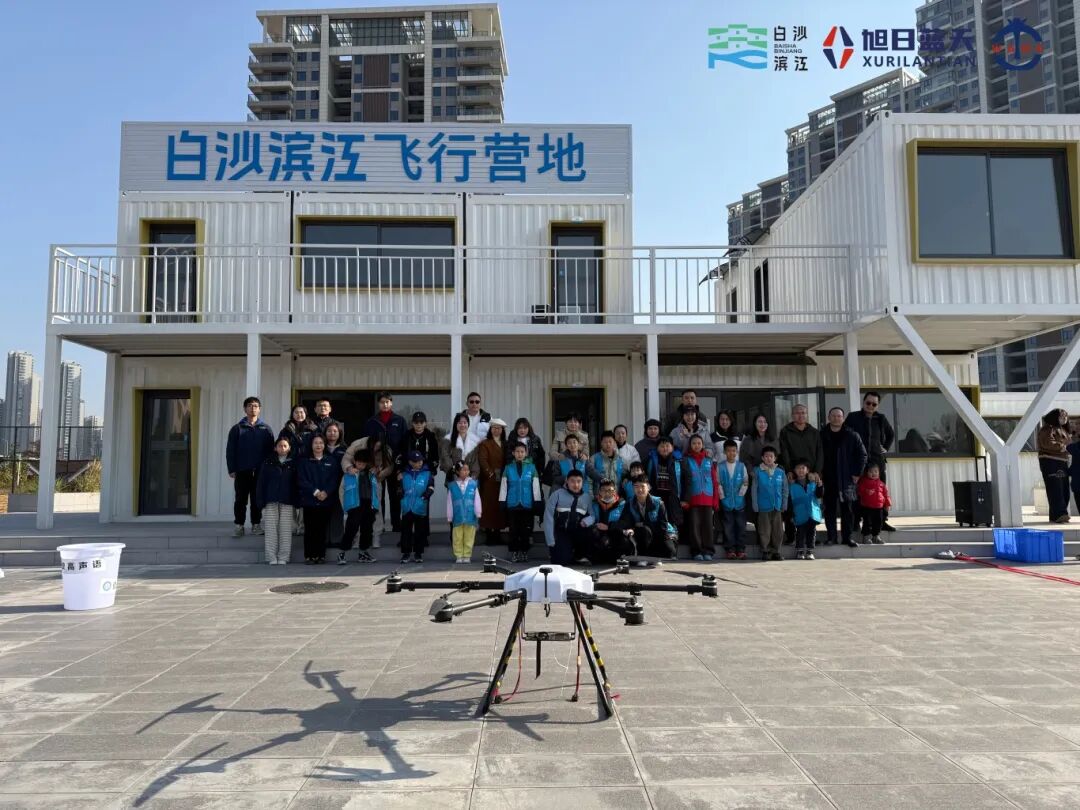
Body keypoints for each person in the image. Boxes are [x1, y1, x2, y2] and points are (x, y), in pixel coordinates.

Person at [845, 392, 896, 532]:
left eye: (874, 404)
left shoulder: (881, 418)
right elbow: (845, 435)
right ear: (863, 402)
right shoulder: (853, 417)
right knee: (857, 492)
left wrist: (885, 447)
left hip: (876, 461)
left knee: (879, 492)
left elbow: (891, 434)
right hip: (858, 461)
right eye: (868, 403)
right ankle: (856, 522)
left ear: (877, 405)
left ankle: (881, 521)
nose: (871, 406)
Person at [226, 396, 276, 538]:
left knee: (257, 499)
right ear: (245, 409)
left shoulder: (266, 429)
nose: (252, 408)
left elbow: (271, 452)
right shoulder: (237, 428)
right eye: (249, 406)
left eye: (255, 406)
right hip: (242, 470)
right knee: (240, 499)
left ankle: (256, 524)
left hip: (260, 471)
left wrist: (269, 469)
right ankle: (239, 525)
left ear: (259, 409)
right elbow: (230, 450)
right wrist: (232, 468)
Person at [820, 407, 868, 548]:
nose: (836, 418)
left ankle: (848, 538)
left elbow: (862, 455)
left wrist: (857, 473)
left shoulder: (852, 435)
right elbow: (816, 454)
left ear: (843, 418)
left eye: (839, 416)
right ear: (829, 417)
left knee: (847, 509)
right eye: (833, 416)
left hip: (847, 478)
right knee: (829, 509)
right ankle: (832, 537)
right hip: (827, 477)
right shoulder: (821, 435)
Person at [362, 393, 408, 532]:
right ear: (378, 404)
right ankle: (379, 524)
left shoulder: (399, 420)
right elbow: (366, 443)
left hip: (394, 464)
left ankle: (396, 524)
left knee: (395, 496)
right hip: (377, 465)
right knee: (378, 496)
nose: (385, 404)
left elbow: (405, 444)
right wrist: (370, 464)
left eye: (387, 401)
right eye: (382, 402)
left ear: (391, 403)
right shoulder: (371, 422)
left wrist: (401, 465)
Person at [779, 404, 823, 545]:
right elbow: (784, 452)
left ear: (807, 415)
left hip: (810, 475)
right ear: (792, 415)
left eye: (803, 413)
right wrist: (789, 471)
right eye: (797, 413)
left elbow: (820, 453)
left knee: (811, 504)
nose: (801, 415)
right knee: (792, 505)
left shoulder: (814, 432)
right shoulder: (785, 431)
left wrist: (816, 472)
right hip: (793, 475)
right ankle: (791, 536)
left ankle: (810, 536)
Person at [297, 435, 341, 564]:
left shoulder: (331, 461)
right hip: (309, 501)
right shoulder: (304, 462)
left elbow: (335, 480)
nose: (318, 445)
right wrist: (315, 492)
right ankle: (309, 556)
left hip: (326, 500)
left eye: (321, 443)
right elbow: (301, 480)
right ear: (311, 445)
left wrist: (326, 492)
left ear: (324, 445)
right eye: (315, 443)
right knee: (310, 529)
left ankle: (321, 555)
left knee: (322, 529)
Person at [255, 436, 297, 565]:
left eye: (285, 446)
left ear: (289, 448)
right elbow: (261, 483)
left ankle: (283, 557)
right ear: (275, 448)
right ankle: (271, 557)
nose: (282, 448)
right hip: (271, 500)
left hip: (287, 500)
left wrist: (297, 501)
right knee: (270, 530)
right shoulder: (267, 463)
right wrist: (260, 501)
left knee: (285, 530)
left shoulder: (293, 463)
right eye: (280, 446)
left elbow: (296, 484)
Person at [500, 440, 543, 563]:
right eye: (517, 451)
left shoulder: (532, 468)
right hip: (512, 504)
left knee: (526, 530)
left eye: (522, 451)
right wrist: (502, 501)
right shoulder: (508, 468)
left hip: (527, 505)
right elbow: (504, 486)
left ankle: (524, 551)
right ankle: (514, 552)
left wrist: (537, 502)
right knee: (513, 530)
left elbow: (535, 486)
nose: (520, 454)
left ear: (526, 453)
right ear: (513, 453)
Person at [680, 433, 719, 561]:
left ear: (702, 445)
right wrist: (685, 499)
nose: (696, 445)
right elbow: (683, 481)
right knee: (694, 526)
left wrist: (715, 500)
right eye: (694, 443)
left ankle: (708, 551)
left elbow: (714, 481)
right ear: (690, 445)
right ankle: (696, 551)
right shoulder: (686, 460)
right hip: (693, 498)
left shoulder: (709, 460)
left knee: (708, 527)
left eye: (699, 443)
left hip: (708, 498)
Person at [543, 469, 594, 566]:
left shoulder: (586, 497)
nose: (576, 485)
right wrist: (550, 540)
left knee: (590, 531)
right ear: (567, 481)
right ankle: (567, 555)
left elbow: (592, 515)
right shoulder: (557, 494)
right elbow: (548, 516)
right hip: (562, 532)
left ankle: (579, 555)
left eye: (579, 481)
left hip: (578, 531)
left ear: (582, 482)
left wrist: (587, 521)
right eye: (572, 481)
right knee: (560, 562)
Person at [336, 448, 379, 564]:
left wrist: (376, 506)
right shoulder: (348, 475)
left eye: (363, 464)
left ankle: (363, 553)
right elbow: (341, 491)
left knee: (367, 530)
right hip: (354, 506)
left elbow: (376, 491)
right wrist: (345, 507)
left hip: (369, 506)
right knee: (351, 530)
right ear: (354, 461)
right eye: (359, 463)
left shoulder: (371, 475)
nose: (361, 466)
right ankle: (342, 553)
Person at [623, 475, 679, 560]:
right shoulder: (629, 504)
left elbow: (663, 525)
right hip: (642, 535)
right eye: (636, 486)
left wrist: (642, 524)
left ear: (648, 487)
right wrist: (631, 528)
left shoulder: (658, 503)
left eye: (642, 486)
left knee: (670, 551)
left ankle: (648, 556)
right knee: (644, 531)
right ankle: (644, 557)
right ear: (633, 488)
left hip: (659, 534)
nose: (639, 489)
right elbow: (626, 521)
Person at [751, 445, 788, 562]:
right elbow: (754, 489)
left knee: (778, 531)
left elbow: (785, 489)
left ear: (775, 458)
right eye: (766, 456)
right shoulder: (758, 472)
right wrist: (755, 504)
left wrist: (784, 504)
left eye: (771, 456)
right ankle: (765, 551)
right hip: (763, 506)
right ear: (762, 458)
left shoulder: (780, 472)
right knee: (764, 530)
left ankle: (776, 551)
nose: (768, 458)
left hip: (777, 506)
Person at [399, 450, 436, 564]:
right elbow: (399, 488)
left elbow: (431, 487)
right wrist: (401, 496)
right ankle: (406, 553)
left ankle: (418, 553)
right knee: (406, 531)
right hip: (407, 507)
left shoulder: (427, 474)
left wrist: (425, 496)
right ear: (410, 462)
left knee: (420, 532)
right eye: (416, 461)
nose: (419, 463)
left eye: (420, 461)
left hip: (420, 507)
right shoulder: (404, 474)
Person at [587, 479, 635, 564]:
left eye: (610, 490)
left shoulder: (622, 504)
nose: (607, 493)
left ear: (614, 491)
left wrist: (609, 526)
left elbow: (626, 522)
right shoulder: (594, 504)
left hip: (616, 533)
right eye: (604, 490)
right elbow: (590, 520)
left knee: (624, 542)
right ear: (599, 492)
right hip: (601, 535)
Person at [477, 418, 508, 545]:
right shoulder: (485, 443)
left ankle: (498, 535)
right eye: (494, 428)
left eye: (499, 428)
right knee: (489, 507)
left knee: (500, 507)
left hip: (504, 479)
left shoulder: (506, 444)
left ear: (502, 430)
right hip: (489, 480)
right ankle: (489, 536)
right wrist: (490, 473)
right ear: (490, 429)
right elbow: (482, 460)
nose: (496, 430)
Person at [1038, 408, 1072, 523]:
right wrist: (1063, 447)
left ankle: (1057, 515)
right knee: (1055, 489)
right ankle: (1059, 514)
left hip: (1062, 461)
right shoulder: (1048, 428)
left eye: (1066, 416)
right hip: (1050, 461)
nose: (1065, 418)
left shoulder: (1063, 429)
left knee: (1064, 489)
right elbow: (1047, 443)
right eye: (1062, 416)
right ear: (1055, 417)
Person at [717, 439, 749, 560]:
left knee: (741, 527)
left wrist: (740, 496)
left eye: (734, 451)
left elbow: (745, 482)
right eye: (729, 451)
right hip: (726, 503)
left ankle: (741, 550)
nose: (731, 453)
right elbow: (718, 483)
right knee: (728, 527)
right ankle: (730, 550)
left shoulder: (741, 466)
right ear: (725, 452)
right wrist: (723, 498)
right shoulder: (720, 467)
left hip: (740, 503)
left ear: (737, 452)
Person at [647, 436, 684, 539]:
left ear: (672, 447)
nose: (665, 448)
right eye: (662, 446)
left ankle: (673, 541)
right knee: (658, 518)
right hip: (657, 495)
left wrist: (685, 497)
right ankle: (661, 540)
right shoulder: (651, 460)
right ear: (657, 448)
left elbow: (686, 479)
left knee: (673, 519)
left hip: (673, 495)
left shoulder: (679, 460)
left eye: (667, 446)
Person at [447, 459, 483, 564]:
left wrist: (478, 512)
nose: (466, 472)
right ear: (457, 471)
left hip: (470, 515)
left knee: (469, 536)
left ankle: (467, 555)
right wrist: (450, 515)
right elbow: (449, 502)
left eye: (467, 470)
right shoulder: (452, 486)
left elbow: (477, 499)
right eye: (463, 470)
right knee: (457, 537)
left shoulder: (473, 484)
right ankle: (458, 555)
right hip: (457, 515)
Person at [789, 460, 823, 560]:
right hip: (799, 513)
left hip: (812, 513)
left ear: (807, 470)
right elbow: (790, 501)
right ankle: (800, 552)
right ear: (794, 471)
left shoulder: (813, 483)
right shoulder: (792, 485)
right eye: (798, 468)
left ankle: (809, 551)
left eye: (803, 468)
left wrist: (820, 486)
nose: (801, 470)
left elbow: (819, 495)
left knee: (811, 532)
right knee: (800, 532)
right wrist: (791, 515)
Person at [322, 422, 347, 546]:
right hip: (323, 486)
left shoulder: (345, 449)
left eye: (335, 431)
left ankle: (337, 539)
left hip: (340, 485)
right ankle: (324, 539)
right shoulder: (320, 447)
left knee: (337, 512)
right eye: (329, 431)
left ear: (339, 433)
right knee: (324, 512)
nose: (332, 433)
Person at [440, 413, 480, 487]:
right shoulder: (448, 440)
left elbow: (476, 462)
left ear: (468, 424)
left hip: (470, 481)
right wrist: (455, 474)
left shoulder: (474, 441)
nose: (462, 425)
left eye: (465, 422)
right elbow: (445, 458)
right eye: (460, 423)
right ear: (456, 424)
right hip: (453, 479)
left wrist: (472, 478)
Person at [857, 462, 891, 544]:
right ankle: (866, 537)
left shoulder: (881, 484)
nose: (873, 473)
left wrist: (887, 504)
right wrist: (866, 491)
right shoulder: (863, 482)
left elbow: (886, 495)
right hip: (867, 506)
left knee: (878, 522)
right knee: (867, 522)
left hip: (878, 507)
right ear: (867, 473)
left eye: (876, 471)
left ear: (879, 473)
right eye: (871, 471)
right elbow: (859, 491)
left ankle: (876, 536)